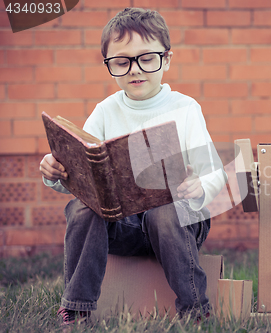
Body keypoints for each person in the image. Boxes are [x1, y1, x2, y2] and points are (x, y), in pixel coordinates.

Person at [39, 7, 227, 326]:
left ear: (166, 59)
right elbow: (86, 169)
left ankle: (195, 309)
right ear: (109, 65)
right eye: (121, 61)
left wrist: (201, 187)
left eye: (147, 58)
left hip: (176, 226)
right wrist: (56, 173)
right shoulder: (105, 111)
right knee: (81, 208)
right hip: (123, 226)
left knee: (164, 211)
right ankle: (77, 308)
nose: (134, 69)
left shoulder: (185, 109)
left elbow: (216, 173)